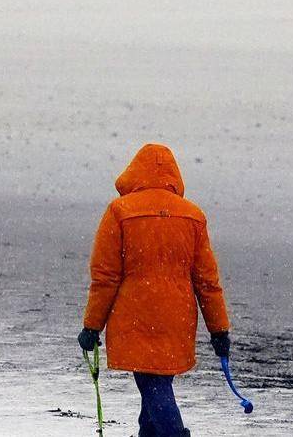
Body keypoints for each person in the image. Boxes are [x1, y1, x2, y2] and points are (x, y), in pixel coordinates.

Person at [79, 143, 231, 437]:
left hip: (135, 317)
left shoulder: (120, 211)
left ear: (135, 172)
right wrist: (219, 330)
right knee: (156, 384)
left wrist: (92, 326)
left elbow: (106, 277)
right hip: (177, 319)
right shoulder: (192, 215)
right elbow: (207, 281)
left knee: (153, 386)